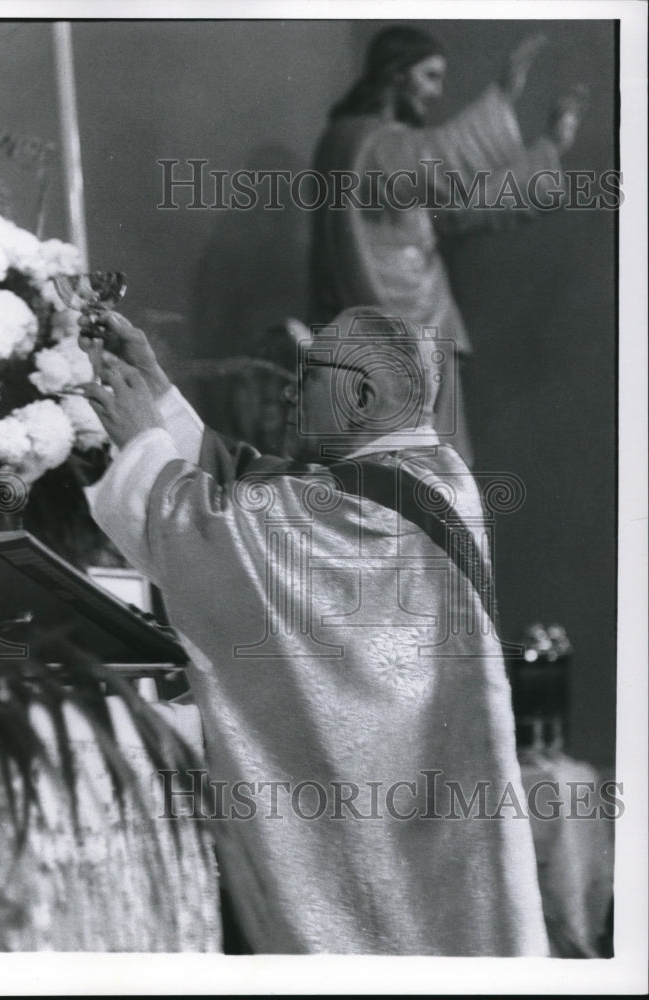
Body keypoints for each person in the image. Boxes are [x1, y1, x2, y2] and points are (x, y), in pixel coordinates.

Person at [78, 306, 549, 955]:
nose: (290, 389)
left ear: (362, 393)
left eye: (309, 372)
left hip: (396, 844)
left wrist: (143, 443)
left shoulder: (380, 505)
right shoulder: (415, 475)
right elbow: (263, 495)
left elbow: (221, 538)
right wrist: (155, 391)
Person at [309, 26, 585, 464]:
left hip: (413, 326)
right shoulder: (367, 144)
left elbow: (458, 208)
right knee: (410, 472)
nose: (437, 93)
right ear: (397, 75)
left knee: (429, 469)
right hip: (395, 330)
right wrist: (503, 97)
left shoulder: (374, 146)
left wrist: (548, 148)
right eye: (430, 76)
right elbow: (438, 165)